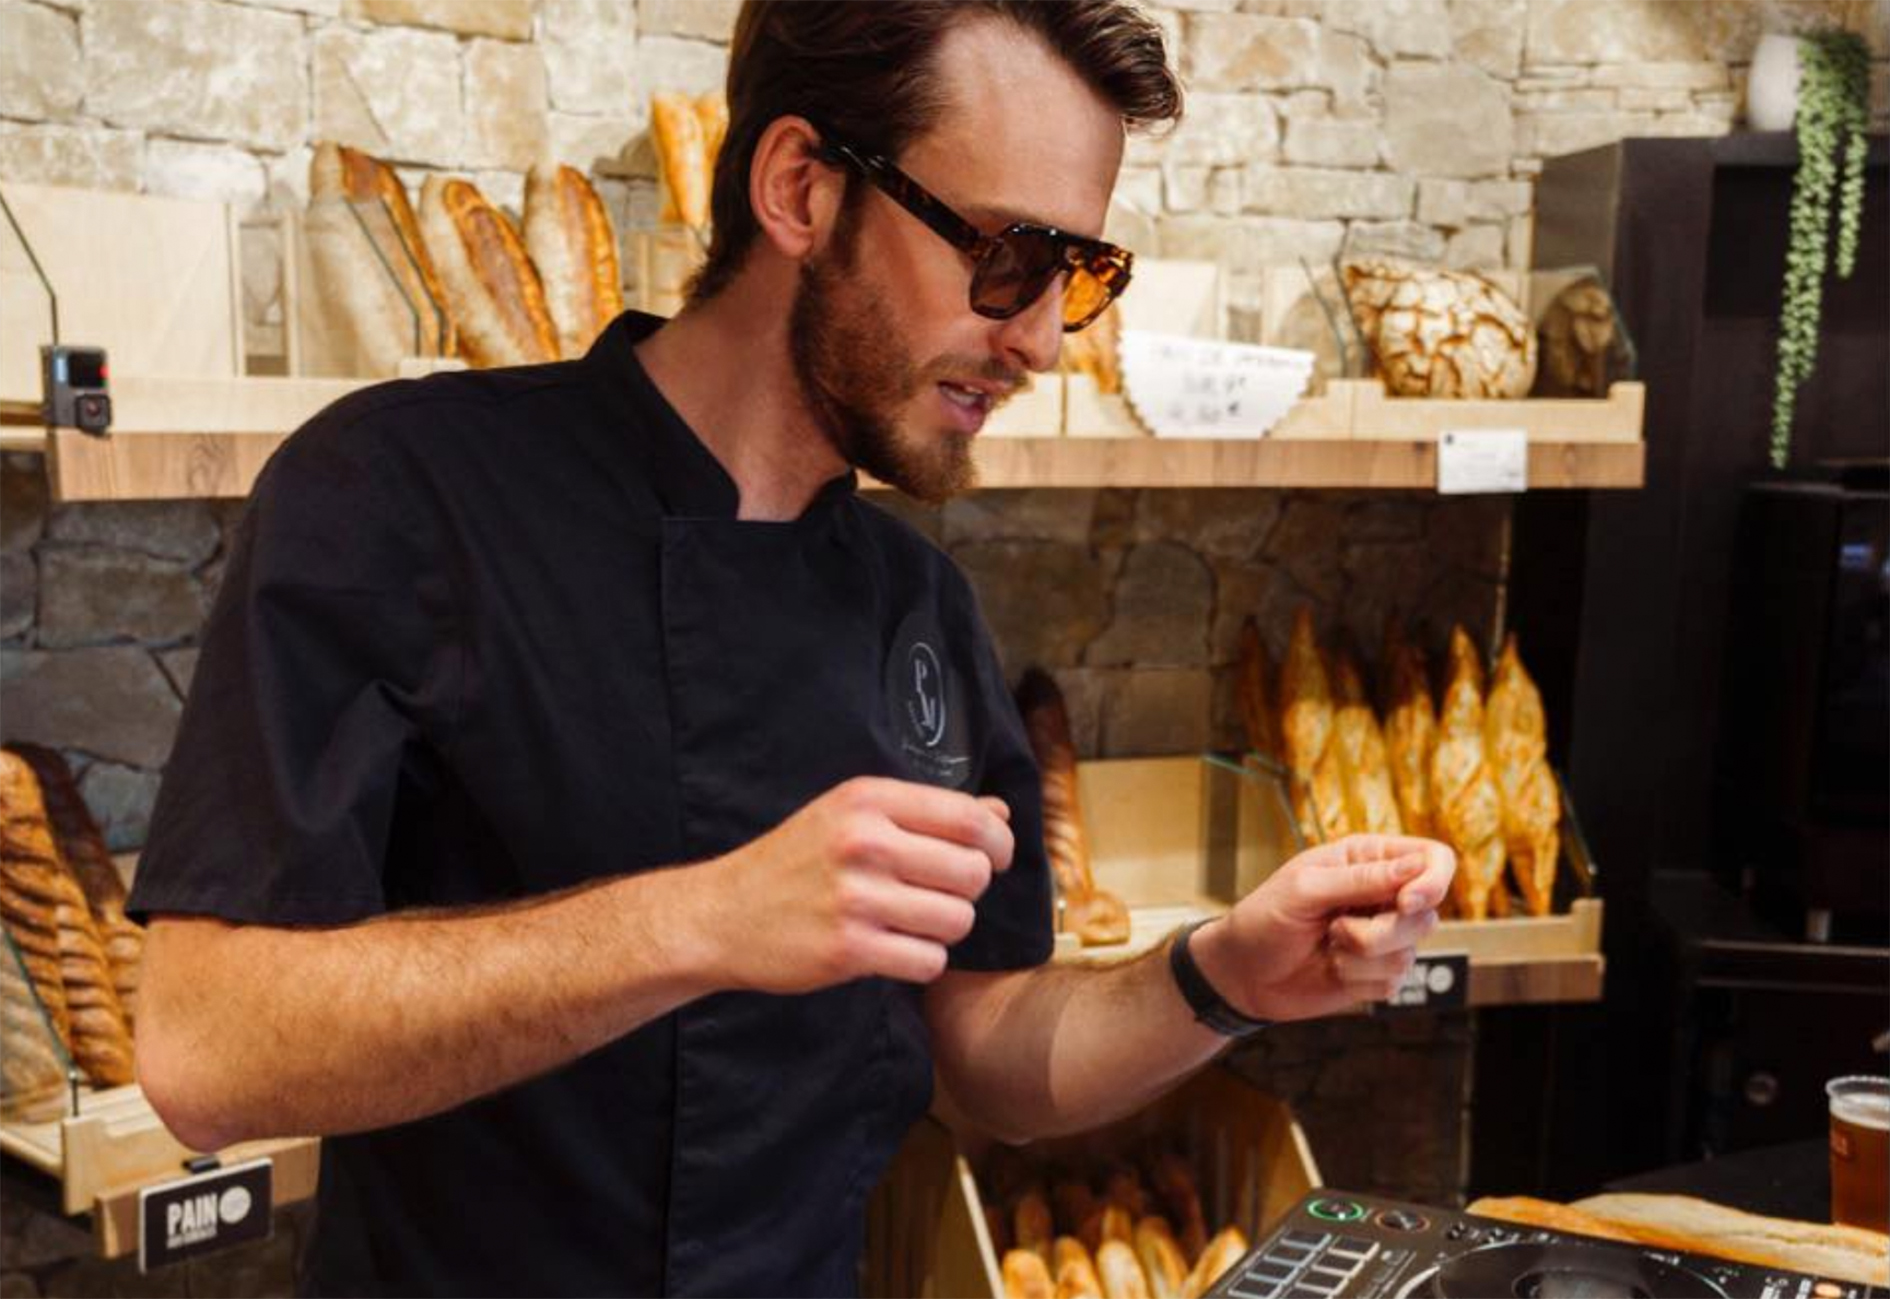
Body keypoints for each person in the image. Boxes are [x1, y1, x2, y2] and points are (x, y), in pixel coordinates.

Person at [129, 3, 1455, 1295]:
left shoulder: (914, 603)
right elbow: (207, 1050)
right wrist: (701, 919)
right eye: (1001, 257)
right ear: (803, 190)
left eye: (1077, 276)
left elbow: (986, 1050)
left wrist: (1221, 977)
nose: (1042, 338)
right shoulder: (400, 492)